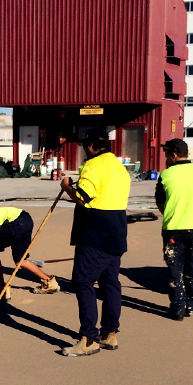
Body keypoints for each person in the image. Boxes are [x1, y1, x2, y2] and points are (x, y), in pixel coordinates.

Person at [59, 128, 131, 357]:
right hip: (116, 230)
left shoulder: (94, 165)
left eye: (83, 146)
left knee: (82, 281)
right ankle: (110, 333)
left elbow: (82, 198)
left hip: (95, 232)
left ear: (90, 146)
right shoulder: (118, 166)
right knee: (110, 282)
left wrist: (67, 187)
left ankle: (89, 338)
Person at [155, 138, 193, 321]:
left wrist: (172, 212)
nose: (165, 158)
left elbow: (160, 203)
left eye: (166, 154)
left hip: (174, 228)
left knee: (174, 269)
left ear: (173, 154)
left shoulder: (166, 175)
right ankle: (191, 305)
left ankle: (177, 308)